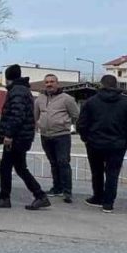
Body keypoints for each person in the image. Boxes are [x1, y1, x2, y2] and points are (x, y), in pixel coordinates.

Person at [0, 64, 48, 210]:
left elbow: (16, 115)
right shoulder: (22, 89)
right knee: (20, 167)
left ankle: (5, 197)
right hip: (23, 136)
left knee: (6, 167)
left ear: (7, 77)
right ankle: (39, 195)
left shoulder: (17, 91)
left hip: (17, 138)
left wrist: (9, 135)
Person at [78, 75, 127, 213]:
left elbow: (82, 123)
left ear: (101, 85)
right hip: (117, 144)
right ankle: (108, 203)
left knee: (96, 171)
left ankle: (97, 197)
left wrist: (85, 138)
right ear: (116, 85)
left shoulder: (91, 102)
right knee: (113, 173)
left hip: (94, 143)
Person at [35, 74, 80, 203]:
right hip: (45, 136)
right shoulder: (40, 99)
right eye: (47, 82)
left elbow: (76, 114)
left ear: (57, 83)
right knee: (53, 163)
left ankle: (67, 192)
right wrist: (37, 126)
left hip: (61, 136)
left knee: (63, 162)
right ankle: (57, 188)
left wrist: (66, 125)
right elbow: (35, 115)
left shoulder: (67, 99)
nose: (49, 84)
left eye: (52, 82)